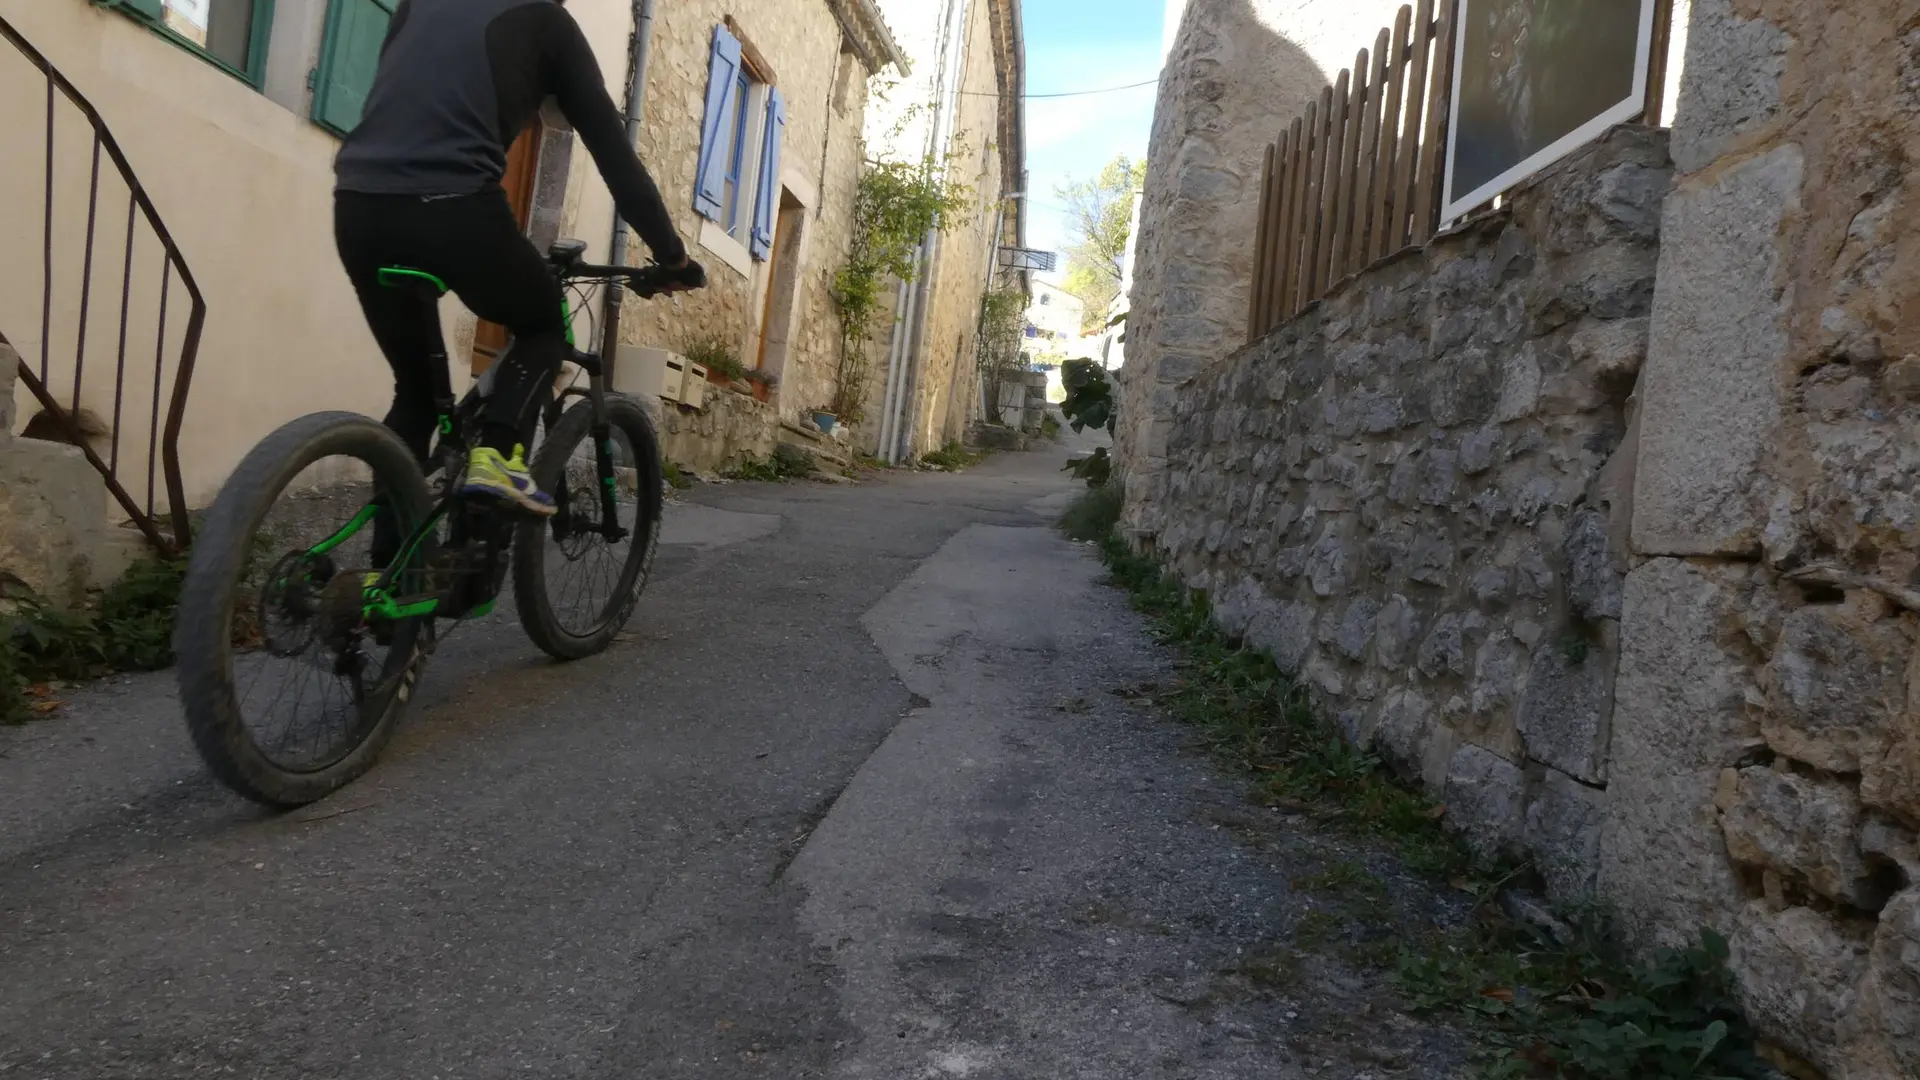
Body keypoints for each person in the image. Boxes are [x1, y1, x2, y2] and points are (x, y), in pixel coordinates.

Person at [333, 0, 702, 518]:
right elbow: (617, 161)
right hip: (454, 205)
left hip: (358, 207)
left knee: (415, 395)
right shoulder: (549, 23)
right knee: (543, 319)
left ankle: (387, 580)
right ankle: (501, 451)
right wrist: (674, 257)